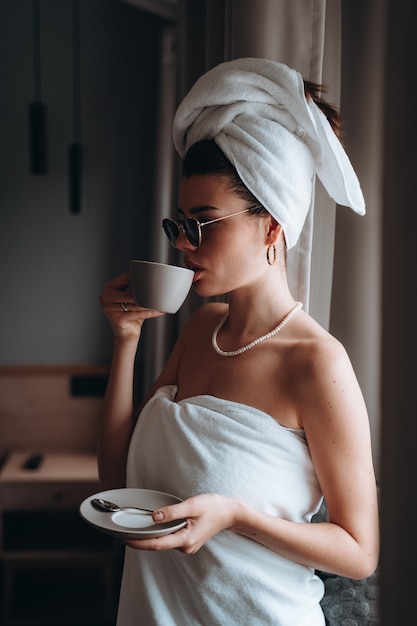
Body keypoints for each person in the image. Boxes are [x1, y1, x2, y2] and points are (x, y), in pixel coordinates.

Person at [98, 58, 379, 626]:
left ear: (271, 225)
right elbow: (117, 484)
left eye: (203, 222)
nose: (183, 244)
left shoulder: (315, 362)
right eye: (179, 224)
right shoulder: (201, 330)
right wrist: (126, 340)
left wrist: (235, 516)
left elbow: (359, 553)